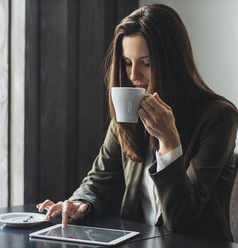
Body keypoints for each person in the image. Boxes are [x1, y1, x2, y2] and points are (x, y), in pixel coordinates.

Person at [36, 3, 238, 241]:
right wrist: (78, 203)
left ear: (173, 62)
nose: (133, 76)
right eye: (128, 62)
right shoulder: (131, 111)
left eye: (146, 63)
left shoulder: (218, 116)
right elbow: (97, 181)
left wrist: (169, 140)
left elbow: (181, 219)